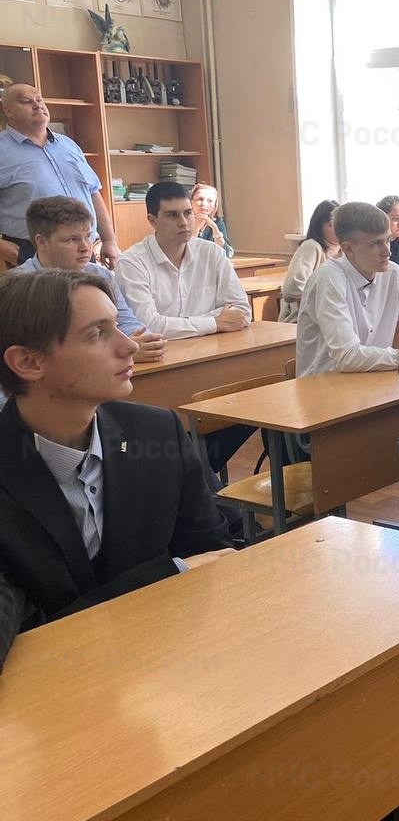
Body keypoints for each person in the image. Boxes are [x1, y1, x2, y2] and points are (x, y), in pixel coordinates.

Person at [0, 270, 234, 670]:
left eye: (116, 326)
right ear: (28, 362)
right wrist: (170, 572)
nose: (128, 345)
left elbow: (216, 554)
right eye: (97, 334)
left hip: (165, 668)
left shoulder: (156, 431)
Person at [13, 196, 164, 363]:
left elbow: (126, 320)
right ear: (42, 242)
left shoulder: (101, 275)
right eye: (72, 239)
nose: (85, 248)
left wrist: (146, 343)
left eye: (88, 237)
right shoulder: (18, 286)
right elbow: (35, 351)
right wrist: (116, 351)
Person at [0, 83, 121, 269]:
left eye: (39, 100)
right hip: (32, 251)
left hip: (83, 247)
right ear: (8, 111)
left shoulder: (69, 145)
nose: (37, 105)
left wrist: (109, 240)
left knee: (84, 297)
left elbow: (93, 192)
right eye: (27, 101)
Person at [295, 201, 399, 377]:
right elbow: (347, 357)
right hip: (324, 388)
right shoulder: (329, 279)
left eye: (387, 240)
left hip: (372, 380)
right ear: (348, 248)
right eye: (376, 244)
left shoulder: (393, 274)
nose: (387, 252)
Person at [115, 181, 251, 340]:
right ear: (152, 220)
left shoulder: (212, 253)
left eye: (188, 213)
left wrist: (174, 325)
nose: (184, 222)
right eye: (172, 215)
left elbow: (242, 312)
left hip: (215, 348)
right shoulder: (132, 263)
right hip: (163, 356)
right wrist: (215, 322)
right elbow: (148, 326)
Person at [280, 199, 340, 324]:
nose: (337, 230)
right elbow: (291, 290)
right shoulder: (312, 247)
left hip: (333, 317)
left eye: (340, 225)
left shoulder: (346, 250)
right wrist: (328, 299)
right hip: (304, 320)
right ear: (319, 226)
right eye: (331, 225)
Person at [191, 183, 233, 258]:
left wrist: (214, 228)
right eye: (200, 199)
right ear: (191, 202)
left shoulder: (218, 222)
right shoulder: (182, 222)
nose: (204, 204)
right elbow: (183, 253)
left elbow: (226, 254)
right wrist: (196, 228)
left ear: (214, 206)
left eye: (210, 201)